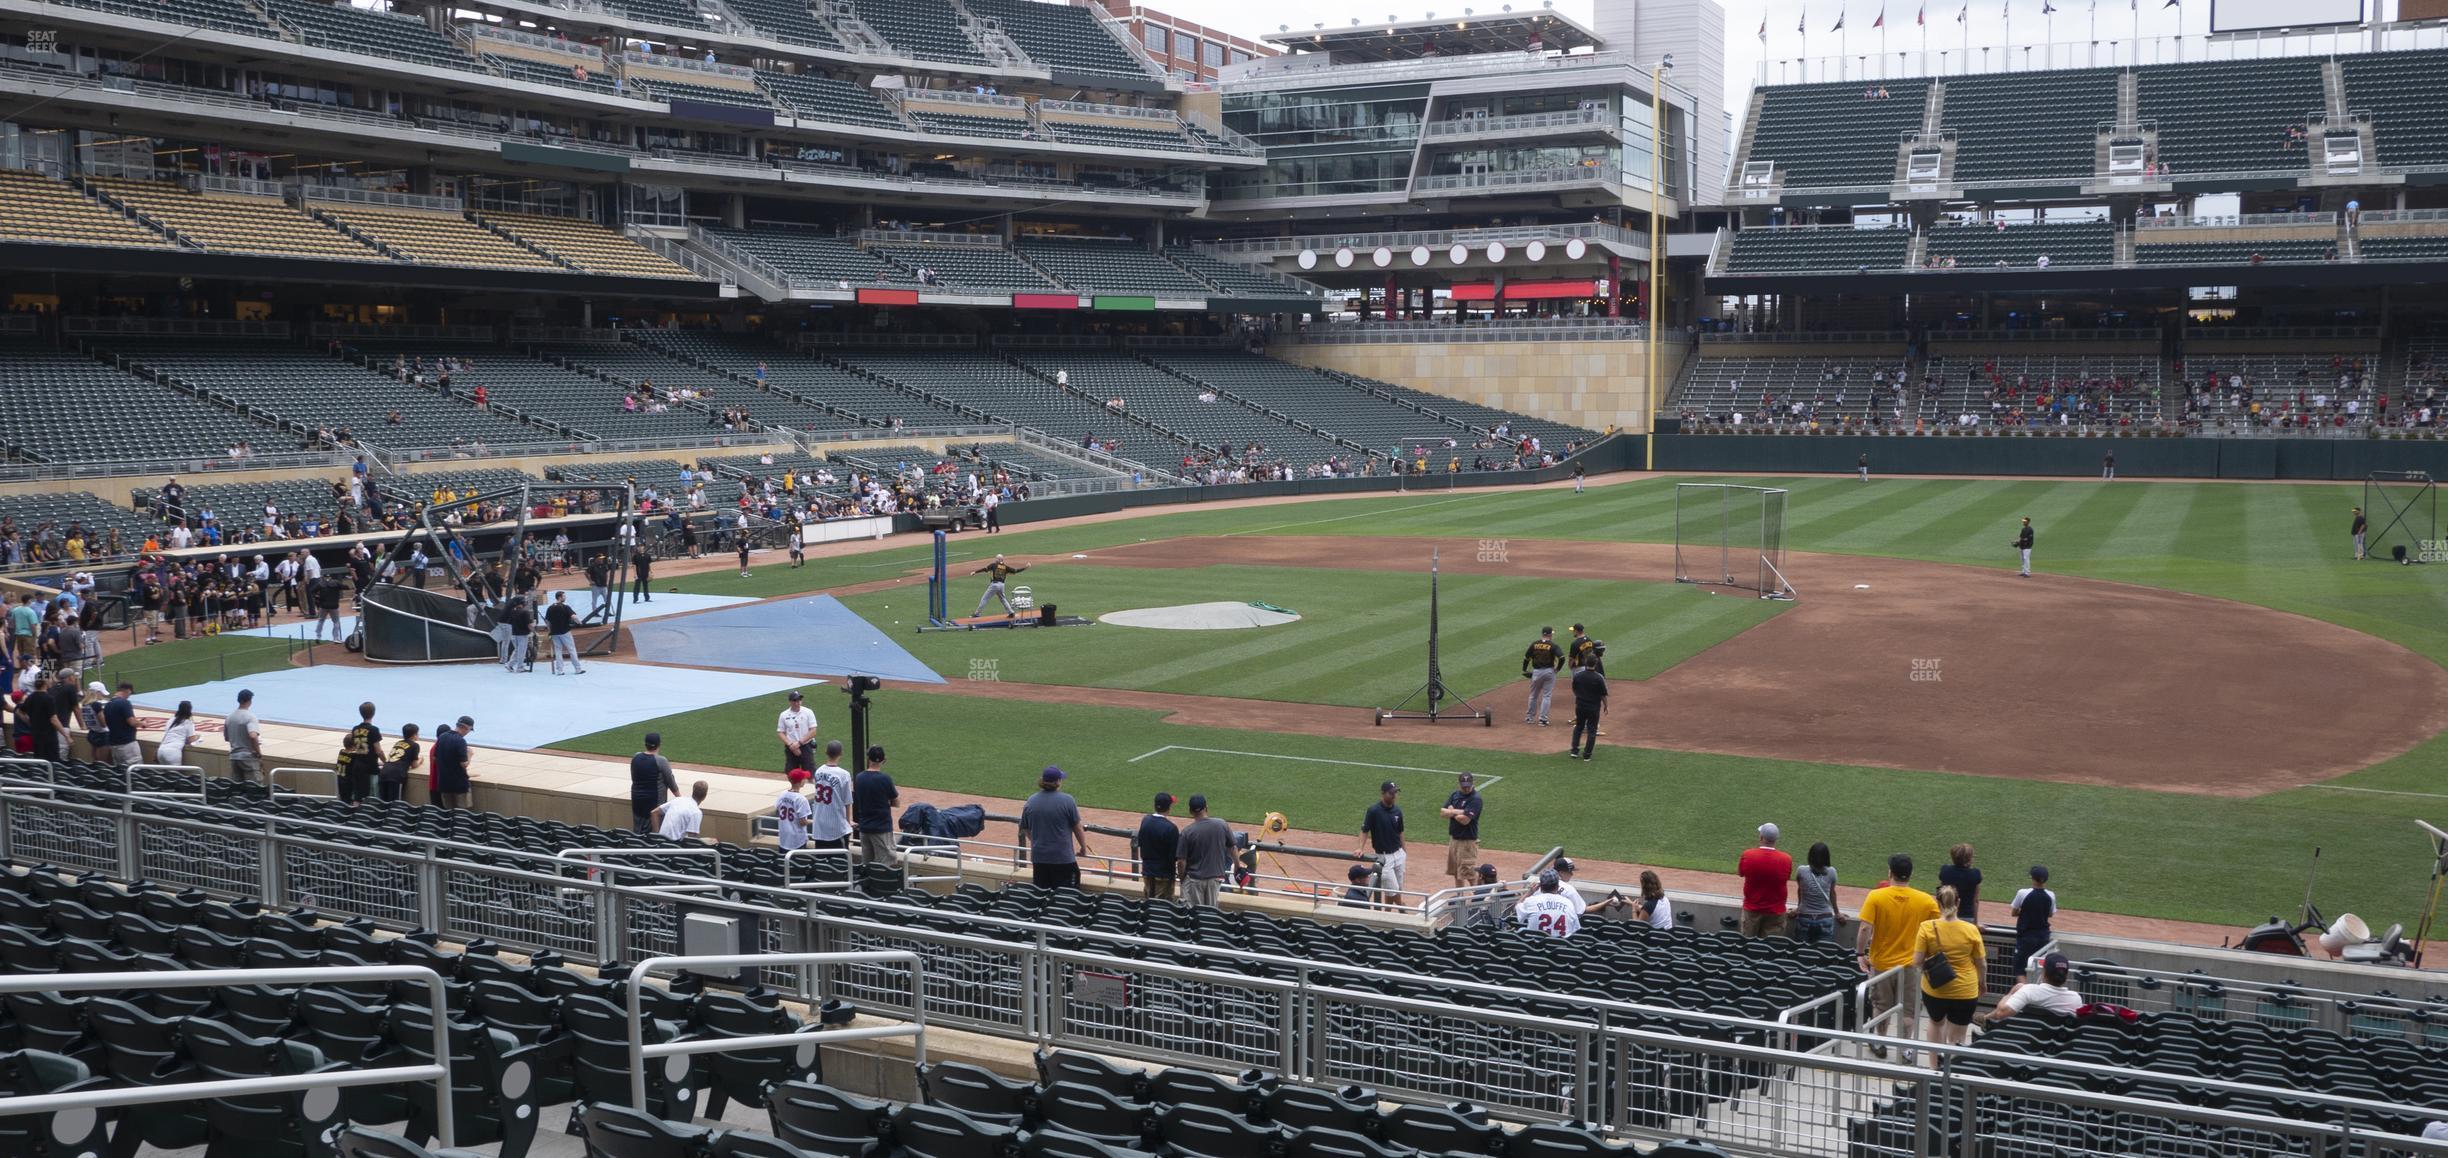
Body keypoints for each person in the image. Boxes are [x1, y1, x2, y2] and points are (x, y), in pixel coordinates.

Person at [1857, 853, 1941, 1059]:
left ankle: (1881, 1043)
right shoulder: (1925, 900)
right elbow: (1937, 928)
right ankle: (1904, 1048)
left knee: (1880, 1005)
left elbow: (1865, 929)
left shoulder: (1876, 896)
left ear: (1890, 872)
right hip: (1912, 966)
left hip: (1882, 964)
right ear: (1910, 874)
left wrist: (1860, 953)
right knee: (1909, 1010)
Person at [1915, 883, 1986, 1058]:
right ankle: (1952, 1073)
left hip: (1935, 990)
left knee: (1936, 1023)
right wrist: (1982, 983)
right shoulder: (1971, 930)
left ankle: (1934, 1070)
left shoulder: (1926, 927)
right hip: (1965, 991)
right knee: (1958, 1037)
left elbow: (1916, 961)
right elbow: (1981, 963)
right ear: (1958, 902)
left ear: (1937, 903)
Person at [1017, 766, 1088, 889]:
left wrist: (1036, 841)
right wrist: (1083, 847)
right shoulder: (1068, 800)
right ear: (1057, 782)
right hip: (1063, 858)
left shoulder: (1031, 800)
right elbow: (1077, 828)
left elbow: (1025, 828)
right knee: (1066, 898)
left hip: (1039, 858)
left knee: (1042, 895)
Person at [1987, 951, 2083, 1024]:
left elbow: (2001, 1013)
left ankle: (1985, 1018)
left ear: (2044, 973)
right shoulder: (2076, 998)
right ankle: (1985, 1018)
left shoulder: (2029, 991)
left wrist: (2010, 994)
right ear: (2065, 977)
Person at [1737, 822, 1793, 938]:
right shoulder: (1786, 859)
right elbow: (1785, 877)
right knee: (1769, 949)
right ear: (1776, 839)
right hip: (1775, 912)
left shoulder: (1748, 855)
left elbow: (1740, 873)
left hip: (1752, 910)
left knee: (1748, 946)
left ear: (1761, 837)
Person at [1176, 793, 1232, 908]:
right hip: (1214, 880)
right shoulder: (1221, 824)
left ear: (1190, 811)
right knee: (1210, 915)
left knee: (1193, 915)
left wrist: (1182, 879)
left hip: (1194, 881)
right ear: (1206, 808)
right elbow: (1233, 847)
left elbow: (1181, 861)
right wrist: (1237, 866)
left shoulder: (1187, 832)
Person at [1359, 781, 1406, 906]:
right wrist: (1360, 848)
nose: (1394, 796)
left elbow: (1400, 831)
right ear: (1383, 794)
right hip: (1384, 858)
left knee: (1397, 889)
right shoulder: (1373, 811)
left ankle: (1387, 913)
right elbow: (1365, 830)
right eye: (1391, 793)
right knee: (1393, 890)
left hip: (1399, 854)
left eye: (1395, 793)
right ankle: (1403, 909)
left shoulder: (1397, 811)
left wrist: (1404, 851)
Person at [852, 744, 898, 866]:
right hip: (881, 828)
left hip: (865, 828)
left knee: (867, 865)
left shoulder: (859, 777)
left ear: (869, 759)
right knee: (885, 864)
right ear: (884, 760)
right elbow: (896, 802)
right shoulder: (885, 779)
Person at [2010, 864, 2057, 975]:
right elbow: (2050, 914)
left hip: (2026, 937)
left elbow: (2013, 913)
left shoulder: (2022, 893)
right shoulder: (2051, 895)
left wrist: (2026, 912)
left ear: (2032, 878)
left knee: (2020, 970)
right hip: (2043, 937)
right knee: (2038, 970)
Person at [1440, 772, 1484, 889]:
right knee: (1456, 872)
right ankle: (1460, 900)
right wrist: (1459, 811)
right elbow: (1443, 812)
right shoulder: (1455, 795)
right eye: (1463, 786)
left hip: (1467, 842)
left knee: (1469, 873)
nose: (1466, 788)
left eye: (1468, 786)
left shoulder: (1476, 799)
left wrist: (1452, 811)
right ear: (1459, 784)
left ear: (1473, 783)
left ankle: (1479, 898)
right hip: (1454, 840)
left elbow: (1465, 820)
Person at [629, 731, 678, 833]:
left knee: (638, 832)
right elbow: (671, 781)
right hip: (654, 803)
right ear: (659, 745)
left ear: (645, 744)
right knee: (654, 835)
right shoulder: (661, 760)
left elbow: (634, 776)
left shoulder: (636, 757)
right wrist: (680, 798)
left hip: (637, 801)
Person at [1136, 792, 1180, 901]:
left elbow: (1141, 843)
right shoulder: (1171, 828)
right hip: (1164, 874)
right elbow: (1174, 856)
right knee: (1163, 907)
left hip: (1147, 872)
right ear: (1168, 807)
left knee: (1148, 903)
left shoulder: (1145, 821)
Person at [1793, 841, 1839, 944]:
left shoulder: (1801, 870)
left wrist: (1798, 908)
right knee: (1823, 955)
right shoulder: (1832, 872)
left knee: (1801, 954)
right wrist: (1837, 913)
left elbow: (1800, 890)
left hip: (1804, 917)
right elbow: (1832, 894)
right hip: (1825, 918)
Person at [1514, 868, 1581, 938]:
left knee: (1521, 930)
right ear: (1557, 886)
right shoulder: (1568, 903)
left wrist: (1529, 892)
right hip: (1560, 946)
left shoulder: (1531, 901)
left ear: (1541, 886)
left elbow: (1517, 908)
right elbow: (1575, 929)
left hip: (1535, 945)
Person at [338, 701, 380, 805]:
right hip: (370, 767)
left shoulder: (355, 729)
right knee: (372, 795)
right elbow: (378, 750)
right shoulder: (374, 729)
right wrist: (386, 761)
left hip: (358, 765)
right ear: (373, 713)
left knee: (358, 795)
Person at [1567, 657, 1607, 760]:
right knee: (1592, 730)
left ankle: (1574, 751)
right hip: (1593, 707)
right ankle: (1587, 755)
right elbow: (1603, 694)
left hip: (1580, 705)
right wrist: (1606, 705)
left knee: (1579, 727)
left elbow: (1574, 688)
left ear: (1585, 663)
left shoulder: (1578, 675)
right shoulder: (1598, 677)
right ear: (1596, 664)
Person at [1522, 626, 1562, 726]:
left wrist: (1525, 669)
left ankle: (1529, 718)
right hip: (1549, 672)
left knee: (1533, 695)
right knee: (1546, 695)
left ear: (1543, 634)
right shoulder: (1553, 645)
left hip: (1536, 672)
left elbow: (1526, 658)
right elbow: (1562, 658)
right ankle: (1543, 720)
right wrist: (1557, 669)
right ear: (1549, 634)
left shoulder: (1534, 644)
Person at [432, 716, 474, 808]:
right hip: (459, 784)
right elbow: (464, 764)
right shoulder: (460, 741)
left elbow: (435, 758)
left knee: (448, 813)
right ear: (466, 728)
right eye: (469, 730)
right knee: (461, 814)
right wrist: (470, 754)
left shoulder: (442, 737)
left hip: (444, 783)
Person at [1937, 842, 1983, 923]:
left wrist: (1940, 916)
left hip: (1947, 916)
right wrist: (1976, 924)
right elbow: (1975, 900)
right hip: (1967, 917)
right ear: (1968, 859)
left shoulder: (1945, 871)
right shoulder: (1975, 874)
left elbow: (1940, 895)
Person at [776, 689, 818, 775]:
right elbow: (780, 732)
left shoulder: (808, 712)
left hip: (806, 747)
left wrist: (799, 743)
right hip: (791, 748)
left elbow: (813, 731)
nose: (797, 702)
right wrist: (791, 745)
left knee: (810, 773)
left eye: (799, 700)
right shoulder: (784, 715)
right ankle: (794, 788)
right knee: (791, 774)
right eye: (795, 700)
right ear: (790, 702)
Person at [544, 591, 585, 675]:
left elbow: (547, 621)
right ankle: (578, 669)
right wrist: (579, 622)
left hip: (554, 633)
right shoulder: (565, 607)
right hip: (565, 632)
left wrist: (550, 631)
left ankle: (560, 670)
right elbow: (573, 617)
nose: (565, 598)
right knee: (571, 649)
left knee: (558, 651)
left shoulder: (550, 608)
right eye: (564, 596)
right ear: (560, 597)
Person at [378, 722, 420, 803]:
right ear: (414, 735)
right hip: (395, 775)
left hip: (384, 772)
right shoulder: (415, 745)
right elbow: (414, 765)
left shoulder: (398, 743)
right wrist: (421, 760)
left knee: (382, 802)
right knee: (394, 803)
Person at [226, 689, 262, 781]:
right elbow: (253, 736)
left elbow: (227, 738)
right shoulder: (250, 717)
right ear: (250, 701)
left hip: (234, 758)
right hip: (247, 758)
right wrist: (258, 752)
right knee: (254, 788)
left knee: (237, 789)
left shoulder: (229, 717)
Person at [101, 681, 140, 766]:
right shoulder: (124, 702)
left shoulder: (108, 704)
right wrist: (142, 723)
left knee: (120, 772)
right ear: (128, 691)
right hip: (127, 745)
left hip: (114, 744)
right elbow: (132, 722)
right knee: (135, 771)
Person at [776, 770, 815, 851]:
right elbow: (802, 822)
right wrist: (814, 821)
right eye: (804, 778)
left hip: (784, 838)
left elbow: (778, 809)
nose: (805, 780)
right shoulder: (801, 799)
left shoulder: (782, 794)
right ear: (800, 782)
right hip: (797, 841)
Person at [156, 700, 197, 767]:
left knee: (165, 776)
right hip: (173, 752)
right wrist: (197, 737)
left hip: (161, 751)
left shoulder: (171, 720)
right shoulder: (188, 722)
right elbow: (191, 740)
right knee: (176, 776)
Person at [504, 597, 534, 673]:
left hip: (514, 633)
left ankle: (510, 664)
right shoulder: (525, 612)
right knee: (521, 651)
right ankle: (520, 667)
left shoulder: (512, 612)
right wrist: (534, 631)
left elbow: (509, 622)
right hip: (522, 634)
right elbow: (529, 624)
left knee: (517, 650)